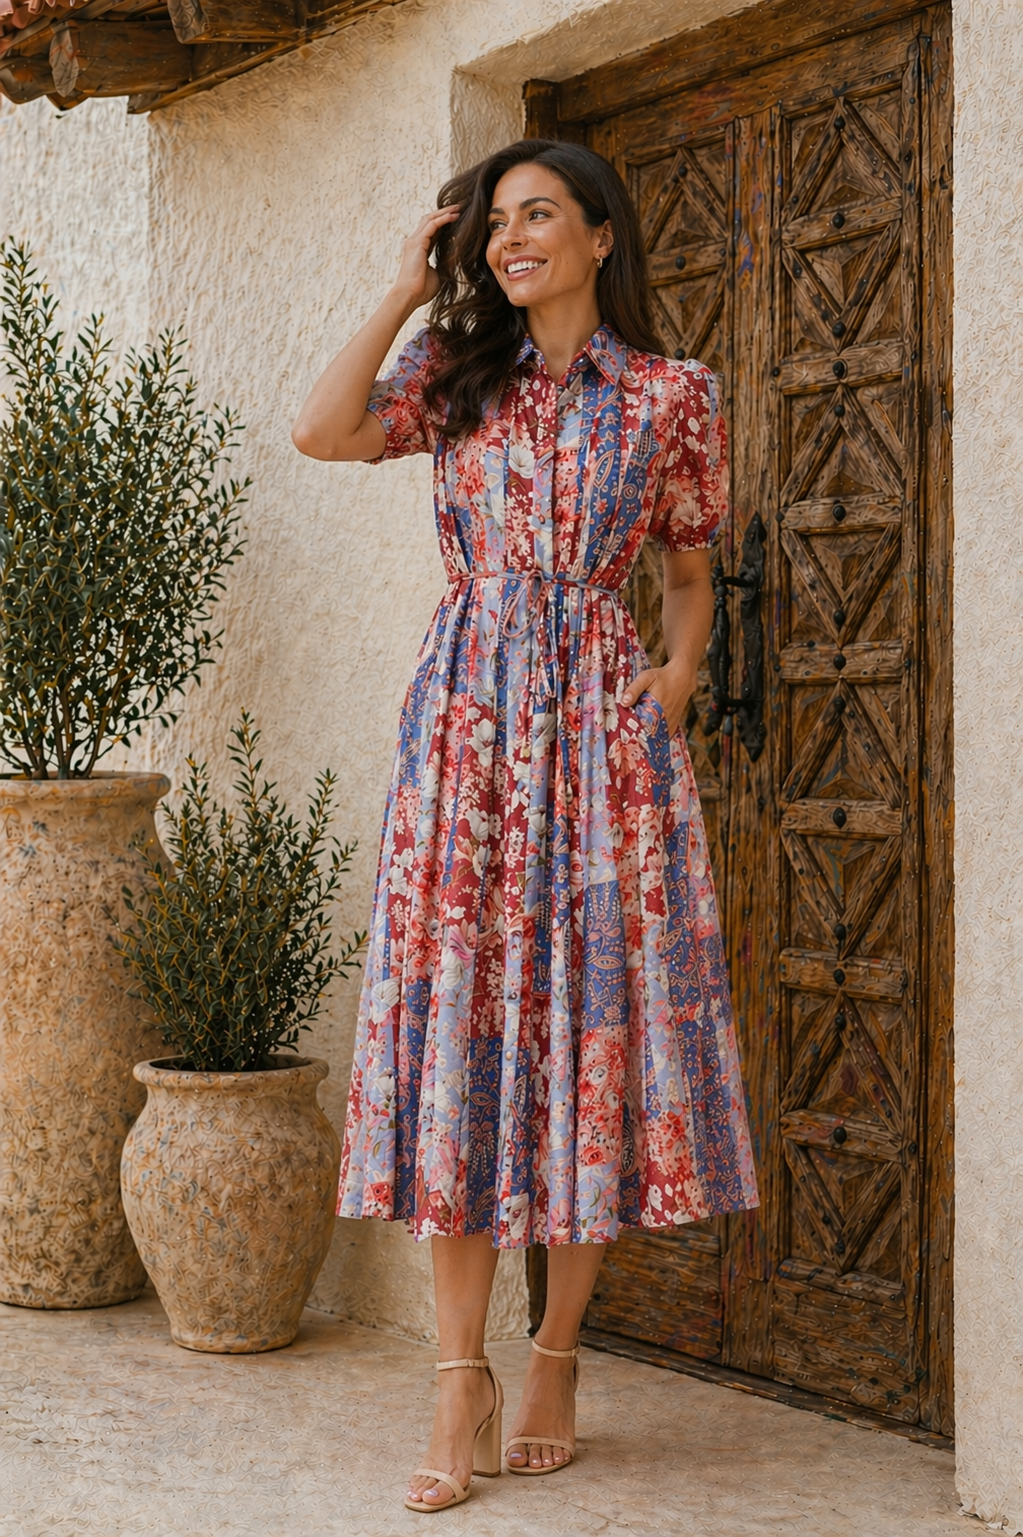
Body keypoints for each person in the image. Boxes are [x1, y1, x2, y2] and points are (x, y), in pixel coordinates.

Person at [292, 137, 758, 1514]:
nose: (511, 240)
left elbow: (687, 565)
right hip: (466, 740)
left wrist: (672, 680)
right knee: (465, 1034)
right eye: (494, 224)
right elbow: (321, 429)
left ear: (600, 234)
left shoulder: (672, 397)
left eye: (537, 215)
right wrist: (400, 287)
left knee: (589, 1032)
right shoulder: (455, 378)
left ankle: (552, 1354)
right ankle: (457, 1374)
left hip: (602, 751)